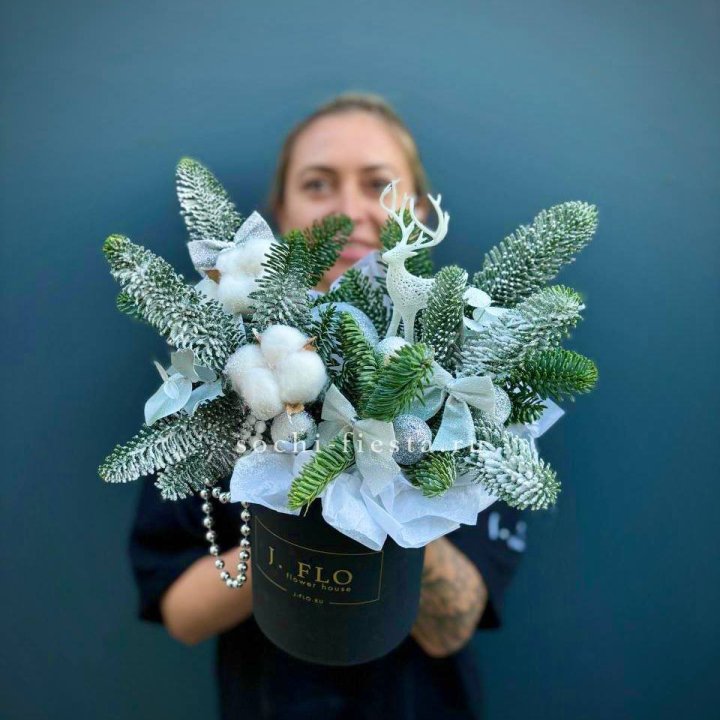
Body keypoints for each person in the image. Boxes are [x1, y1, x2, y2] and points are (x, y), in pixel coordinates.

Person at [129, 92, 527, 720]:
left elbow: (453, 624)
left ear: (421, 213)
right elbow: (181, 613)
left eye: (379, 185)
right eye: (317, 184)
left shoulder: (469, 385)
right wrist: (302, 499)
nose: (348, 209)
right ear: (280, 214)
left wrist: (381, 481)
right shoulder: (220, 376)